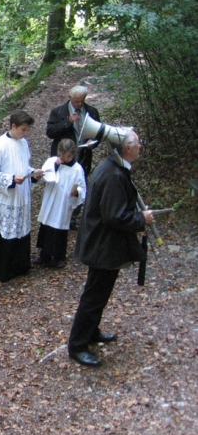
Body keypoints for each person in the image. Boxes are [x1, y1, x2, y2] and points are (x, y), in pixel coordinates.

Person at [67, 131, 154, 367]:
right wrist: (140, 219)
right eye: (138, 143)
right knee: (94, 296)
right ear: (127, 148)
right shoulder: (114, 174)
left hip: (103, 244)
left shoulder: (112, 166)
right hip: (102, 246)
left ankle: (91, 331)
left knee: (99, 293)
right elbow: (115, 217)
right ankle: (77, 345)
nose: (140, 147)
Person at [0, 110, 44, 283]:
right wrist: (10, 180)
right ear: (13, 126)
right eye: (23, 129)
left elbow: (22, 166)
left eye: (27, 130)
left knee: (16, 231)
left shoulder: (23, 143)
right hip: (2, 198)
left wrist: (33, 173)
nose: (25, 133)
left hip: (18, 197)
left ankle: (15, 267)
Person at [46, 85, 101, 229]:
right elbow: (50, 132)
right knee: (61, 186)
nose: (79, 104)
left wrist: (93, 143)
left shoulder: (92, 112)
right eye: (77, 101)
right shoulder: (58, 112)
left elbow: (99, 133)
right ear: (70, 98)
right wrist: (68, 122)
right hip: (63, 157)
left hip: (83, 155)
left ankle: (73, 217)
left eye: (82, 101)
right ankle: (56, 214)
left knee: (79, 186)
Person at [33, 139, 86, 268]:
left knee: (59, 229)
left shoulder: (77, 169)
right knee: (47, 227)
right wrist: (55, 166)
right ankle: (44, 255)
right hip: (51, 199)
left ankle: (58, 257)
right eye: (63, 156)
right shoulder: (52, 162)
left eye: (68, 156)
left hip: (63, 202)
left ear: (73, 154)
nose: (66, 159)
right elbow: (46, 176)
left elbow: (83, 188)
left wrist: (77, 192)